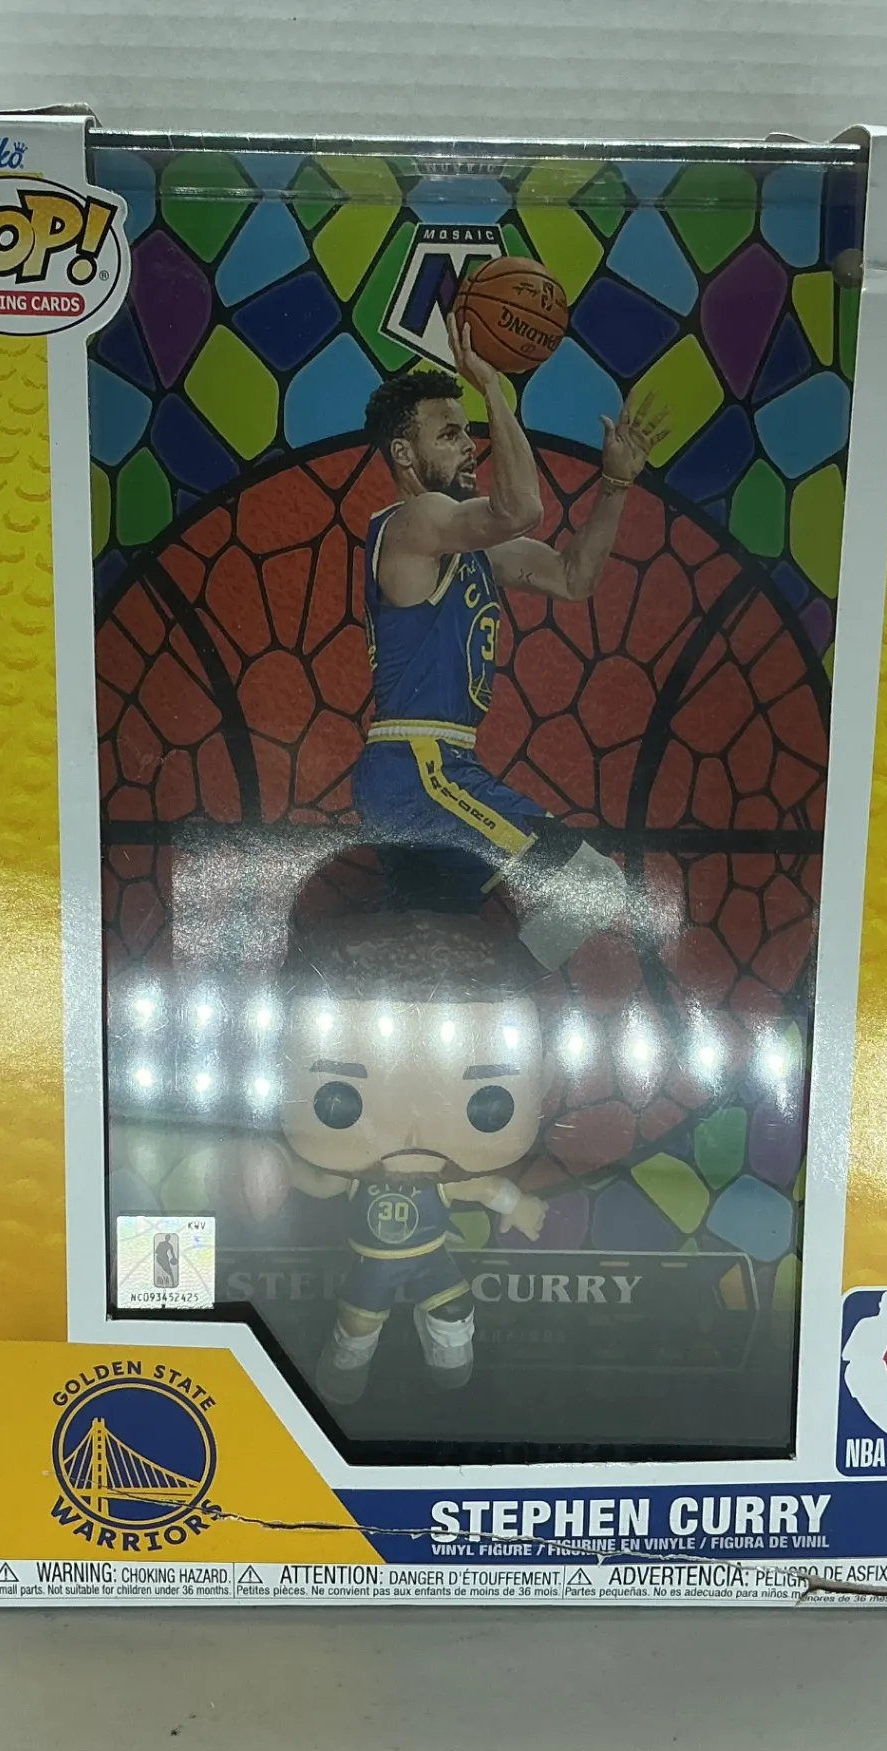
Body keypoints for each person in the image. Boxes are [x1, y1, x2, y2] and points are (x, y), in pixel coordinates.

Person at [352, 317, 669, 969]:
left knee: (435, 944)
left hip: (427, 768)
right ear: (404, 455)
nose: (470, 447)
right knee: (591, 885)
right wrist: (493, 388)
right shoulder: (416, 519)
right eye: (449, 434)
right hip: (421, 767)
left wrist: (614, 486)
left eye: (467, 431)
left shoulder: (467, 547)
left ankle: (442, 996)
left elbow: (573, 578)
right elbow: (521, 507)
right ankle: (506, 989)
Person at [269, 910, 554, 1407]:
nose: (413, 1132)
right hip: (372, 1268)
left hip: (431, 1259)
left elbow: (483, 1187)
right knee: (358, 1324)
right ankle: (347, 1360)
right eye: (339, 1099)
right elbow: (316, 1181)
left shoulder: (440, 1178)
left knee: (454, 1310)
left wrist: (518, 1204)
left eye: (487, 1102)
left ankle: (447, 1353)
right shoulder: (358, 1175)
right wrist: (274, 1171)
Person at [840, 1291, 887, 1474]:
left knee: (884, 1410)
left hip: (869, 1371)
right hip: (861, 1372)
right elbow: (845, 1354)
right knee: (876, 1411)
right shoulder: (869, 1325)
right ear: (883, 1304)